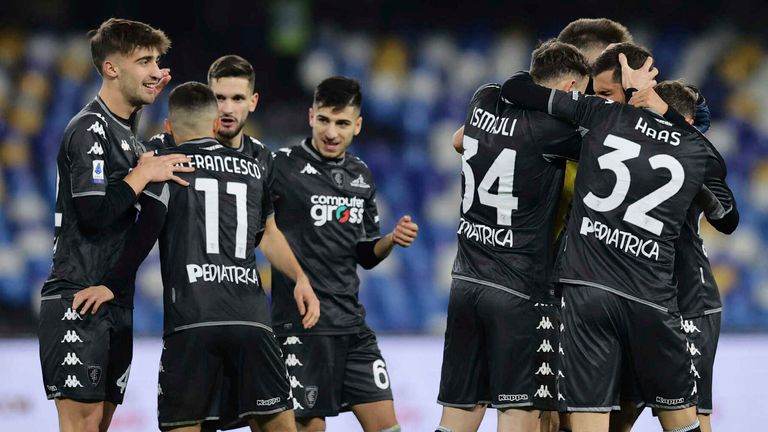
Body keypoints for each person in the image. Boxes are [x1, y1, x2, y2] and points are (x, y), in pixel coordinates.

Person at [500, 45, 735, 432]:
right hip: (651, 297)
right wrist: (658, 108)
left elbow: (516, 88)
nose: (594, 98)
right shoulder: (690, 148)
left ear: (628, 91)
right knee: (667, 418)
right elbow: (723, 197)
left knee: (594, 417)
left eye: (605, 92)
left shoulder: (600, 118)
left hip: (629, 292)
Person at [82, 81, 320, 431]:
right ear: (214, 125)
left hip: (192, 321)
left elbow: (145, 230)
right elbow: (263, 235)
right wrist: (301, 278)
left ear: (168, 128)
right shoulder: (254, 170)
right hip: (252, 322)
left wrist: (111, 285)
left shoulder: (166, 166)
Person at [37, 18, 194, 432]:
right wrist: (143, 174)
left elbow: (127, 160)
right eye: (144, 61)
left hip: (113, 302)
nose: (156, 71)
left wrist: (143, 100)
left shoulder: (126, 134)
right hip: (78, 296)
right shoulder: (89, 127)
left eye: (158, 61)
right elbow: (93, 213)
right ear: (110, 68)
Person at [435, 40, 590, 432]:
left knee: (458, 416)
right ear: (571, 88)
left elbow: (458, 140)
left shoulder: (485, 97)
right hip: (519, 291)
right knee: (518, 414)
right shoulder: (552, 130)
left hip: (466, 282)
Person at [269, 76, 418, 432]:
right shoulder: (281, 166)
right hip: (302, 327)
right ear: (310, 116)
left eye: (341, 123)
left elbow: (365, 253)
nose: (331, 132)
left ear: (358, 125)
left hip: (352, 326)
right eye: (324, 120)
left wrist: (390, 240)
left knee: (388, 427)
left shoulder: (361, 175)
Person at [609, 86, 738, 432]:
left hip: (689, 301)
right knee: (618, 414)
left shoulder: (694, 158)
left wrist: (675, 120)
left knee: (693, 415)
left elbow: (727, 219)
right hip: (641, 298)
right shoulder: (633, 149)